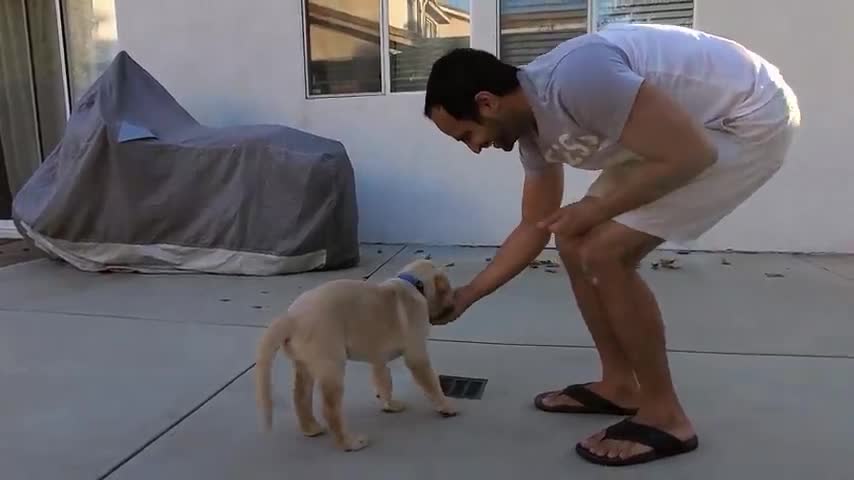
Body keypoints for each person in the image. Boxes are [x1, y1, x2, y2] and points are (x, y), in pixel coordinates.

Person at [422, 23, 800, 467]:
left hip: (748, 118)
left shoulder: (576, 79)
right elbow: (535, 225)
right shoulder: (534, 134)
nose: (475, 148)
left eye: (467, 135)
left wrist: (597, 210)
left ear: (486, 103)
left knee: (606, 250)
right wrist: (467, 295)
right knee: (572, 237)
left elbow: (692, 154)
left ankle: (665, 417)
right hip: (692, 134)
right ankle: (620, 385)